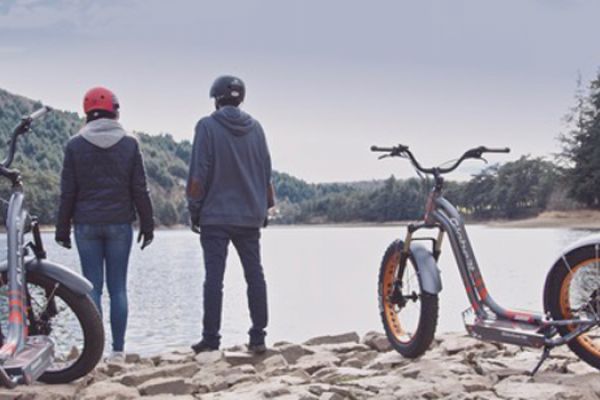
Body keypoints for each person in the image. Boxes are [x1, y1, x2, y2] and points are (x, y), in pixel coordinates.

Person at [55, 86, 154, 362]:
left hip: (86, 225)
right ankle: (118, 351)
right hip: (119, 225)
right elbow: (140, 190)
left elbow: (68, 192)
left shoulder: (74, 145)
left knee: (92, 288)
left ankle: (94, 354)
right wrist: (148, 225)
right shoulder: (130, 143)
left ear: (87, 112)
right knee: (118, 288)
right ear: (115, 110)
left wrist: (62, 229)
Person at [187, 75, 275, 354]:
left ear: (216, 98)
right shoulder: (257, 128)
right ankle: (258, 336)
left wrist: (194, 209)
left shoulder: (206, 126)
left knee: (214, 278)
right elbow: (266, 172)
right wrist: (264, 208)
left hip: (215, 216)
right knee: (255, 275)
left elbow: (198, 175)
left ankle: (211, 339)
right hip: (250, 214)